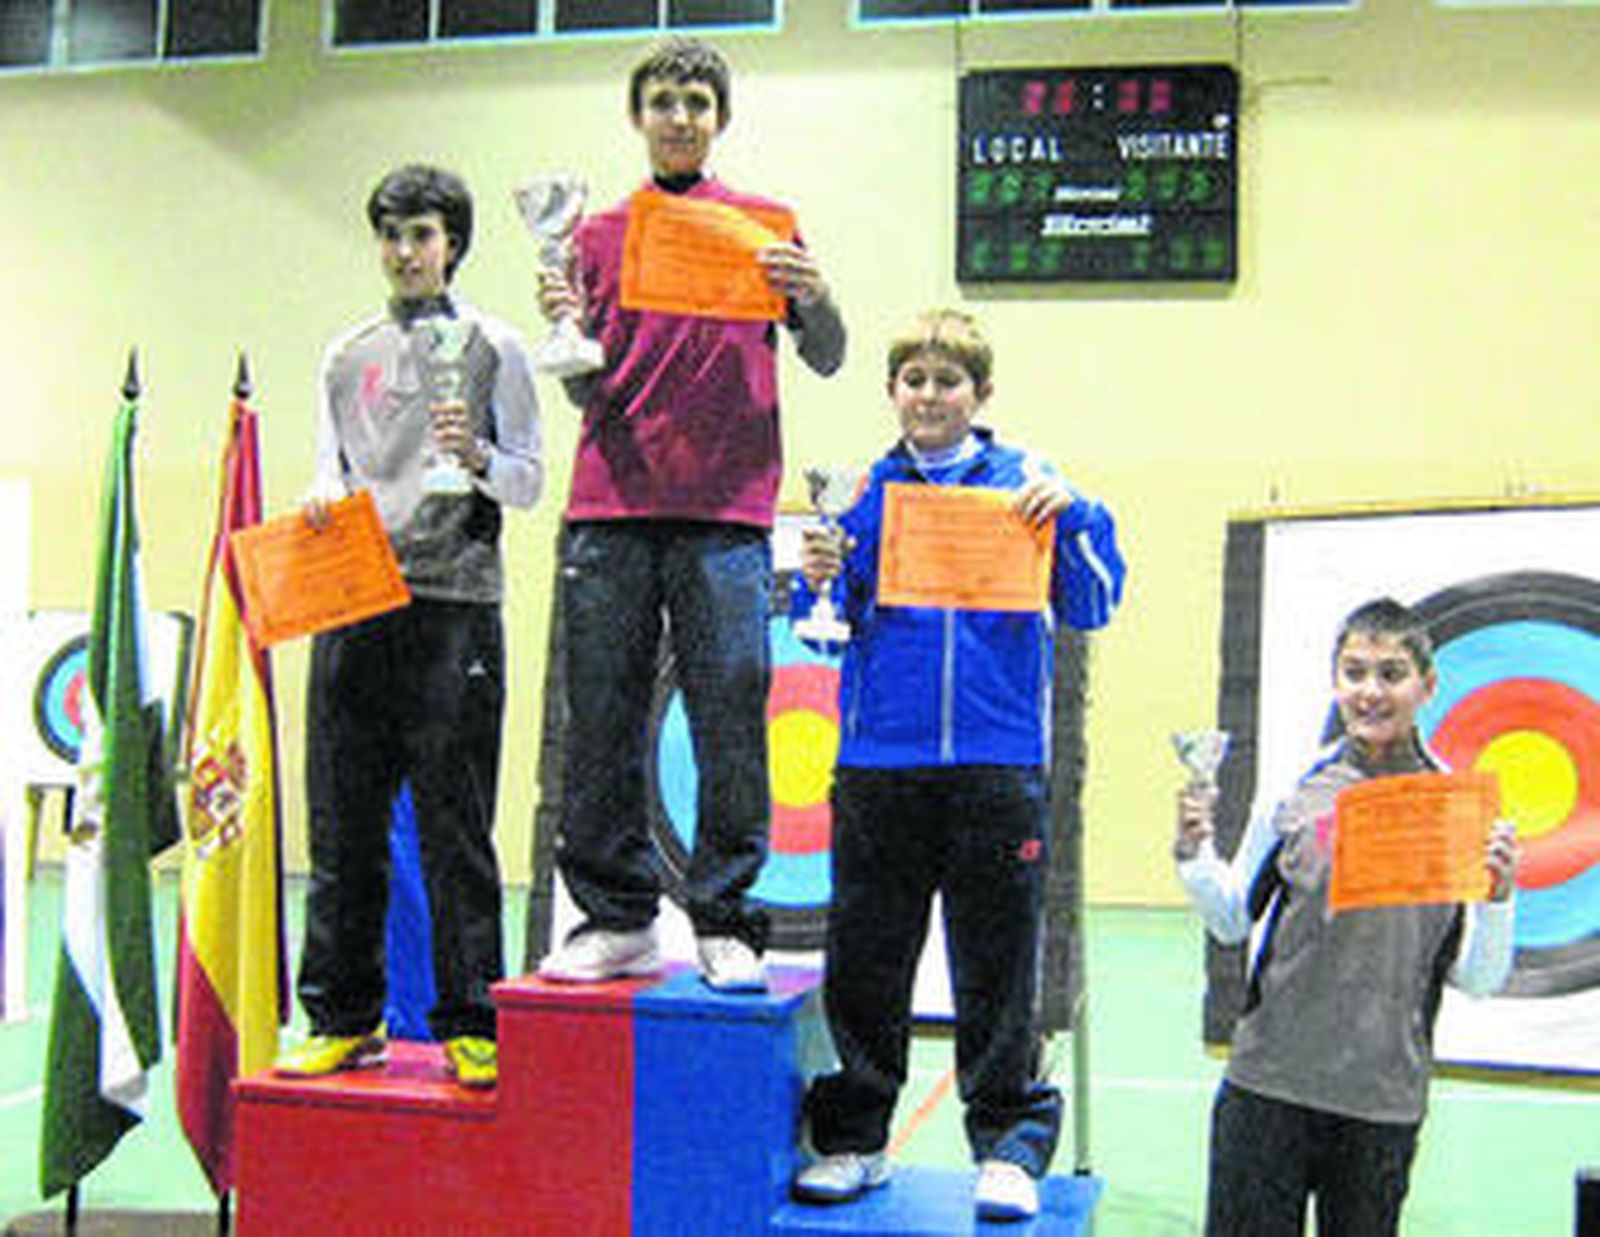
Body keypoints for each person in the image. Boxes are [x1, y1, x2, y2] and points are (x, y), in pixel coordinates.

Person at [789, 309, 1125, 1222]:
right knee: (866, 954)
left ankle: (1009, 1145)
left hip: (996, 761)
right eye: (913, 380)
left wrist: (1080, 513)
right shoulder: (865, 491)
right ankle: (856, 1140)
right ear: (892, 391)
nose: (928, 396)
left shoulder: (1029, 484)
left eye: (947, 381)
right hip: (879, 763)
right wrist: (817, 571)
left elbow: (1094, 599)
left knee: (997, 961)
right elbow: (833, 623)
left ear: (981, 394)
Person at [534, 37, 845, 992]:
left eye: (696, 103)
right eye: (663, 101)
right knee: (601, 721)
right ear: (639, 117)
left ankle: (726, 918)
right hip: (612, 509)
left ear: (720, 119)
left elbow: (827, 355)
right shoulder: (591, 237)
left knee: (729, 721)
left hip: (729, 515)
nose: (679, 117)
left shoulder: (764, 229)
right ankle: (618, 916)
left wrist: (816, 296)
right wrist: (563, 327)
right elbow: (588, 391)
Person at [275, 164, 543, 1090]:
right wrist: (320, 496)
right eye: (391, 235)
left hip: (456, 605)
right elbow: (329, 466)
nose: (404, 252)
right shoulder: (344, 352)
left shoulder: (497, 345)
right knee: (342, 823)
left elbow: (530, 480)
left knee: (453, 822)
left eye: (422, 235)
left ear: (453, 244)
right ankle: (342, 1016)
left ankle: (473, 1018)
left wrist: (477, 458)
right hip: (353, 604)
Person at [1173, 597, 1521, 1236]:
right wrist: (1195, 853)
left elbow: (1477, 977)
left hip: (1381, 1104)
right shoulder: (1294, 788)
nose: (1370, 692)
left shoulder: (1457, 808)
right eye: (1354, 673)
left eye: (1391, 674)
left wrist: (1500, 898)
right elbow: (1230, 920)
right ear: (1335, 682)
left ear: (1428, 685)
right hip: (1268, 1087)